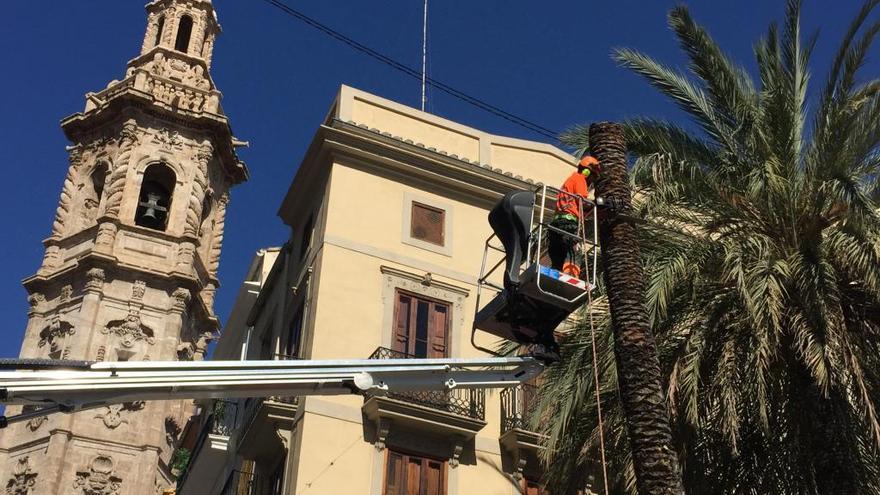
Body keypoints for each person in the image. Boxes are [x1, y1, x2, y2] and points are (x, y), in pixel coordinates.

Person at [548, 154, 600, 275]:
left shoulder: (569, 182)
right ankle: (570, 276)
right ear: (587, 172)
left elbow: (579, 207)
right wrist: (597, 204)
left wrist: (590, 210)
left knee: (558, 254)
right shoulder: (579, 178)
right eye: (593, 177)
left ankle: (555, 275)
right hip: (569, 223)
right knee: (574, 251)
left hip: (556, 224)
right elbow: (582, 202)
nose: (592, 182)